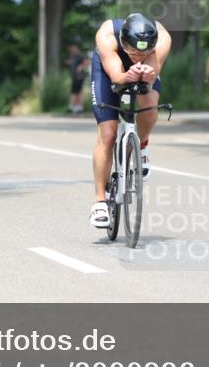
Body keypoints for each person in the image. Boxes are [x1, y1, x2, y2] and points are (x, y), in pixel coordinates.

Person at [89, 13, 171, 228]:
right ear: (124, 43)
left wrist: (146, 70)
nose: (137, 56)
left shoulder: (162, 39)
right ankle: (99, 200)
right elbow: (116, 77)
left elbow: (153, 73)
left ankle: (141, 144)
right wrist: (126, 75)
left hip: (146, 72)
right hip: (109, 71)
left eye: (142, 52)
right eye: (133, 52)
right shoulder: (107, 35)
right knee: (107, 134)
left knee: (150, 109)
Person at [67, 44, 89, 114]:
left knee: (76, 92)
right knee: (77, 92)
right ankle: (76, 107)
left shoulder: (80, 56)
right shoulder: (73, 56)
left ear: (76, 48)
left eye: (73, 48)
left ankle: (75, 107)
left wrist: (81, 67)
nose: (72, 50)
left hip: (79, 77)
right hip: (75, 77)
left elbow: (86, 63)